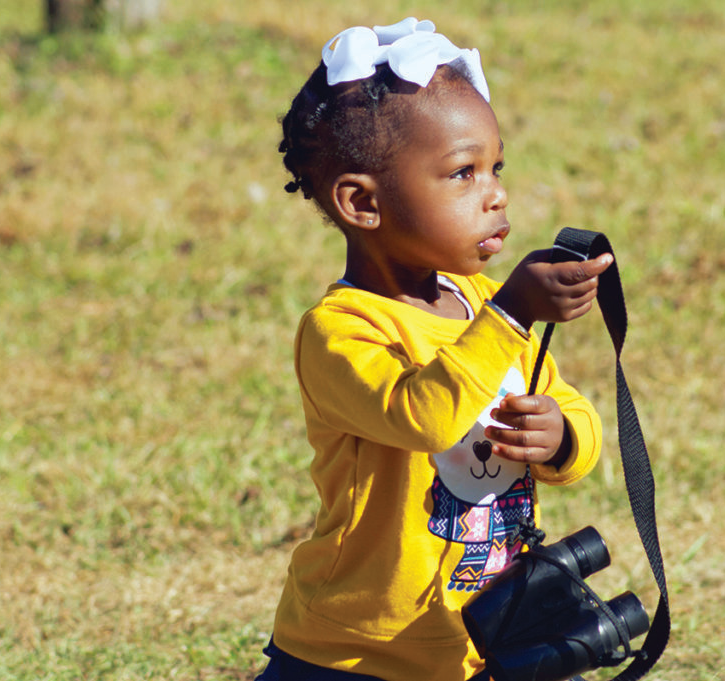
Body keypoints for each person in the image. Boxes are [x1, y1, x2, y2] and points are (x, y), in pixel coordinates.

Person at [256, 17, 614, 681]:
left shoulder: (477, 302)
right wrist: (513, 311)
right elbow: (422, 416)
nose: (496, 193)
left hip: (477, 640)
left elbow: (570, 408)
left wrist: (560, 434)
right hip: (352, 652)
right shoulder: (340, 331)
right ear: (363, 202)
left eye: (496, 167)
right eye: (462, 173)